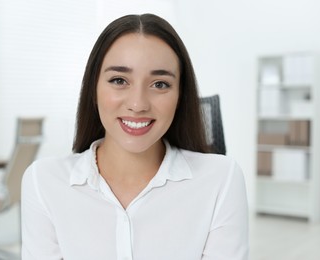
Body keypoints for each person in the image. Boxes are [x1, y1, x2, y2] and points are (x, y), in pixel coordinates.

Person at [21, 13, 249, 260]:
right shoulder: (43, 182)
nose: (138, 104)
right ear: (93, 89)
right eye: (119, 80)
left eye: (160, 84)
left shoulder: (221, 179)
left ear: (180, 96)